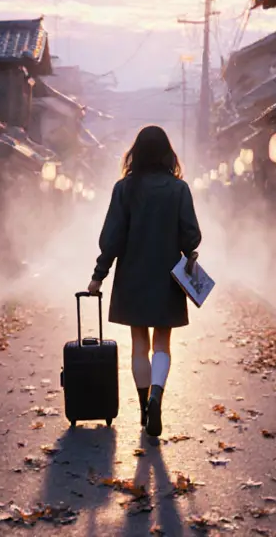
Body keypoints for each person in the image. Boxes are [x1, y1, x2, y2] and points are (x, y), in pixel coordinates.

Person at [87, 125, 201, 437]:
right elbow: (191, 236)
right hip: (167, 276)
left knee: (139, 343)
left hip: (132, 276)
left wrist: (99, 275)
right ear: (167, 153)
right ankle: (156, 398)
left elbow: (112, 239)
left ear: (136, 152)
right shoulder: (179, 190)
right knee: (162, 342)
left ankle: (141, 407)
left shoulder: (124, 188)